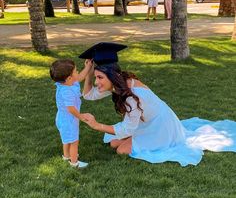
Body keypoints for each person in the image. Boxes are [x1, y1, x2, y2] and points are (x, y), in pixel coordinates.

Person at [79, 42, 236, 167]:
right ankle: (138, 139)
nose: (96, 82)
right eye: (96, 77)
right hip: (147, 122)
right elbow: (88, 95)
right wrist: (88, 73)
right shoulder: (119, 83)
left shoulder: (131, 96)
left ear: (112, 76)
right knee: (113, 143)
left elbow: (127, 128)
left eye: (99, 77)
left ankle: (152, 140)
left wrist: (96, 125)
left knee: (121, 150)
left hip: (161, 127)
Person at [50, 59, 93, 169]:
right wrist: (81, 117)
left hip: (63, 118)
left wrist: (88, 67)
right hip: (68, 119)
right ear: (69, 78)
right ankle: (74, 163)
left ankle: (66, 156)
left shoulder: (68, 83)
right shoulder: (66, 91)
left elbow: (80, 77)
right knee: (74, 141)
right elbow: (71, 109)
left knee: (66, 138)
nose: (77, 72)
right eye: (76, 71)